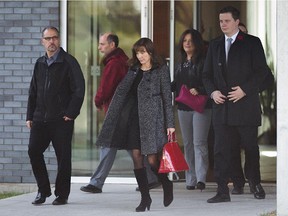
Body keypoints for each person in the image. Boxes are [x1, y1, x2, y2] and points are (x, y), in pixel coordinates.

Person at [95, 38, 175, 212]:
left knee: (153, 160)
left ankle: (166, 183)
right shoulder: (133, 69)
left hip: (153, 119)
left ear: (151, 52)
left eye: (143, 52)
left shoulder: (161, 70)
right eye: (138, 52)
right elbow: (121, 92)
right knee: (137, 157)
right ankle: (145, 198)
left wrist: (170, 124)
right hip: (133, 119)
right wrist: (113, 114)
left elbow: (167, 98)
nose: (140, 56)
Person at [202, 6, 268, 203]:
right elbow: (206, 75)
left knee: (249, 147)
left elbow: (262, 73)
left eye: (227, 21)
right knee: (221, 149)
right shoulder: (214, 45)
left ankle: (255, 183)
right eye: (221, 21)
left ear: (237, 22)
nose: (223, 24)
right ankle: (223, 190)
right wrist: (212, 92)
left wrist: (245, 90)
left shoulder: (252, 43)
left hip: (245, 106)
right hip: (222, 107)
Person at [80, 33, 159, 194]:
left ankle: (96, 182)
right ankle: (151, 178)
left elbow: (106, 88)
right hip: (126, 111)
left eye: (102, 44)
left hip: (118, 112)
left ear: (112, 45)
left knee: (108, 144)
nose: (99, 48)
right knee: (131, 146)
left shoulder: (114, 64)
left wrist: (97, 100)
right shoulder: (123, 61)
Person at [26, 26, 85, 205]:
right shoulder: (40, 63)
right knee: (33, 151)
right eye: (48, 38)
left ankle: (62, 194)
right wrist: (30, 115)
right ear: (42, 41)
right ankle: (43, 190)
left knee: (63, 157)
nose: (52, 42)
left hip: (61, 120)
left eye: (55, 38)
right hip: (40, 119)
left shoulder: (69, 62)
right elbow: (33, 91)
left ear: (59, 40)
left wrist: (70, 113)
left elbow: (79, 89)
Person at [230, 23, 275, 195]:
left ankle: (254, 182)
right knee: (232, 148)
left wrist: (249, 90)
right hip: (230, 107)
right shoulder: (225, 54)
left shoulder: (254, 53)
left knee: (250, 147)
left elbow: (267, 77)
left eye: (242, 33)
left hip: (249, 108)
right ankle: (237, 182)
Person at [171, 29, 212, 191]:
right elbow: (177, 83)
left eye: (191, 40)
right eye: (185, 40)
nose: (187, 43)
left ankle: (201, 178)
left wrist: (200, 89)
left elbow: (210, 81)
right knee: (187, 144)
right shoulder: (180, 61)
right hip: (184, 107)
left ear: (197, 43)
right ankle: (191, 178)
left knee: (199, 142)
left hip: (201, 106)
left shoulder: (204, 60)